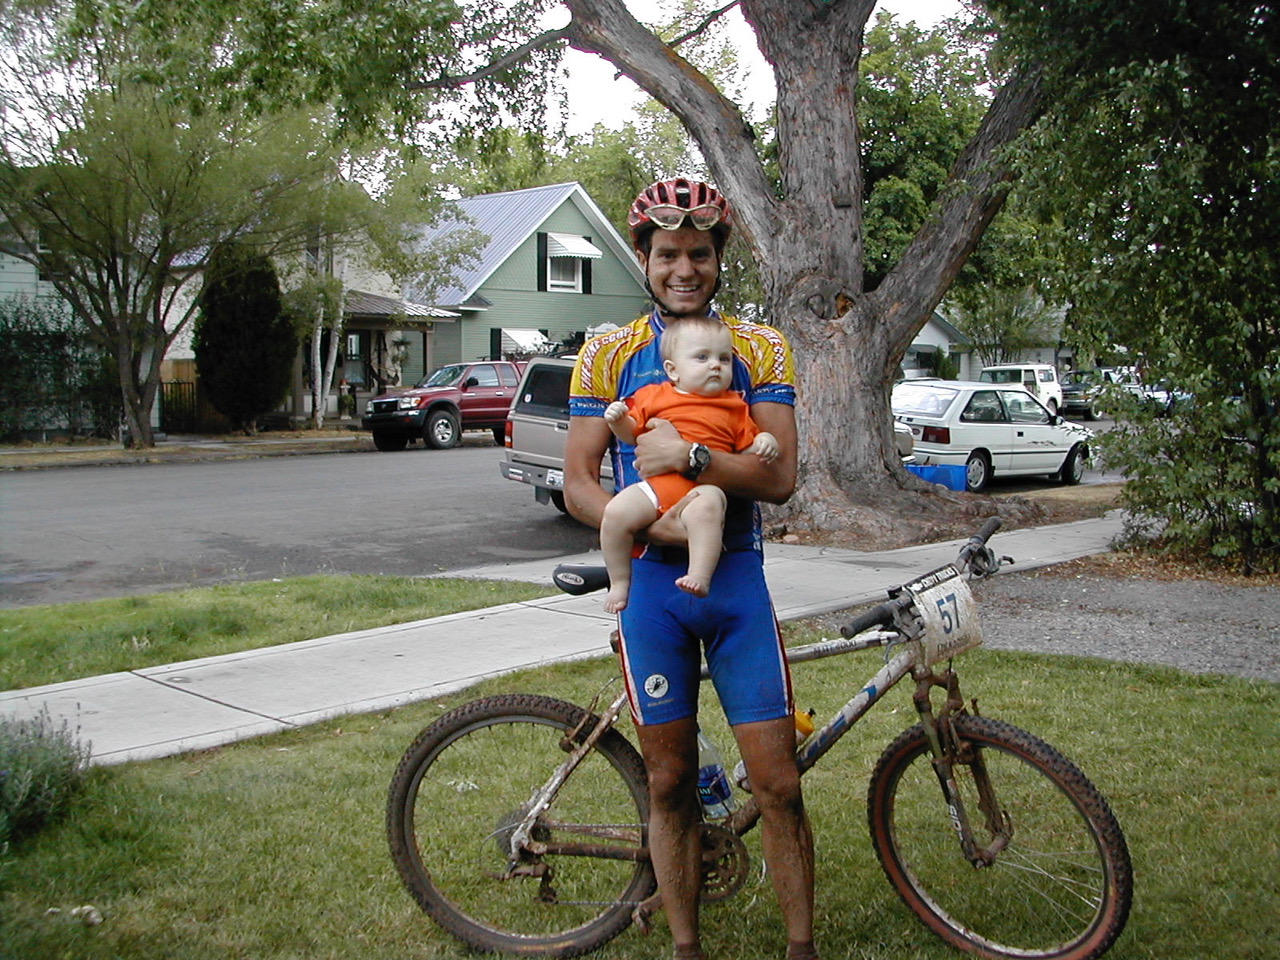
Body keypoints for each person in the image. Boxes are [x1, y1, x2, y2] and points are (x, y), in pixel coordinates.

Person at [565, 179, 817, 960]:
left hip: (734, 576)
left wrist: (697, 457)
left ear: (717, 259)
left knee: (776, 781)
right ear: (643, 257)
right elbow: (579, 480)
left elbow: (779, 479)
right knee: (669, 781)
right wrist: (655, 513)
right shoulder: (606, 354)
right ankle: (685, 948)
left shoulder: (760, 348)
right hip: (650, 589)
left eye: (699, 254)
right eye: (667, 253)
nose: (684, 268)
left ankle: (801, 948)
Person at [599, 315, 779, 613]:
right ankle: (619, 580)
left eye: (724, 358)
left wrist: (765, 441)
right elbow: (632, 433)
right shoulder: (652, 396)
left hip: (703, 488)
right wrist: (618, 420)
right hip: (657, 487)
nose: (715, 365)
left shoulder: (735, 407)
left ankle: (699, 575)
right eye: (702, 357)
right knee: (615, 513)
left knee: (708, 509)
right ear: (673, 369)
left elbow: (747, 449)